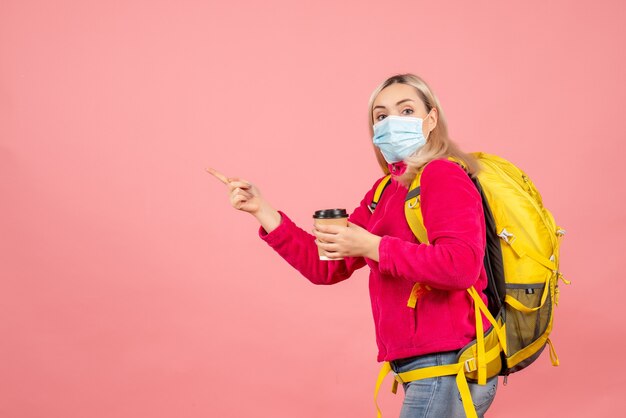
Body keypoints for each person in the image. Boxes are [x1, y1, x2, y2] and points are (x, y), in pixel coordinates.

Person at [208, 73, 498, 417]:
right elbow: (325, 267)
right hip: (423, 368)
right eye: (381, 115)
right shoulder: (384, 191)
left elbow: (460, 266)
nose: (392, 122)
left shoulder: (443, 174)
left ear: (431, 119)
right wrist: (262, 210)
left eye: (406, 111)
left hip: (448, 366)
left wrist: (374, 246)